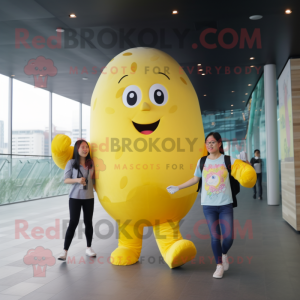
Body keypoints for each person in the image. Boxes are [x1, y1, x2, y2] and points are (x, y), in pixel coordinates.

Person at [166, 132, 256, 279]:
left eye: (213, 142)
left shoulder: (227, 160)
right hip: (208, 206)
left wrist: (246, 165)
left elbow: (242, 171)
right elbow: (196, 179)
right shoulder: (202, 161)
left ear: (219, 144)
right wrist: (178, 187)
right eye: (207, 142)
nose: (210, 145)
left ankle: (224, 253)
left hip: (225, 204)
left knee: (228, 237)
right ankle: (219, 265)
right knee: (215, 237)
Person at [58, 140, 96, 261]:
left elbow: (94, 180)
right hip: (74, 197)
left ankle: (89, 247)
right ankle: (65, 251)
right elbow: (66, 180)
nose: (85, 149)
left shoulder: (91, 164)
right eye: (82, 147)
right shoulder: (71, 163)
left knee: (88, 222)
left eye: (87, 147)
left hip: (89, 196)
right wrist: (78, 180)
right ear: (77, 149)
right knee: (73, 222)